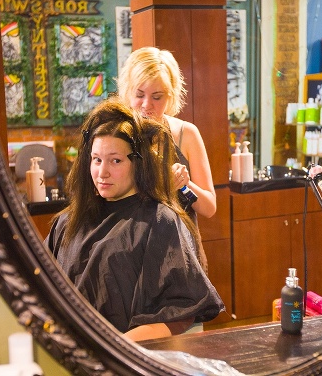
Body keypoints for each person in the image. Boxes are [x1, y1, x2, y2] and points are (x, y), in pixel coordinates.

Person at [46, 99, 223, 342]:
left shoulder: (160, 221)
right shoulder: (68, 221)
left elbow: (178, 314)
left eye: (115, 160)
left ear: (137, 164)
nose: (102, 172)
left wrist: (114, 347)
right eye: (96, 159)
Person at [117, 47, 216, 223]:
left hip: (179, 245)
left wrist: (185, 184)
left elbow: (209, 208)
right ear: (128, 91)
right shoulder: (116, 135)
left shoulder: (187, 134)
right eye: (139, 95)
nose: (146, 105)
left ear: (170, 96)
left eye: (157, 97)